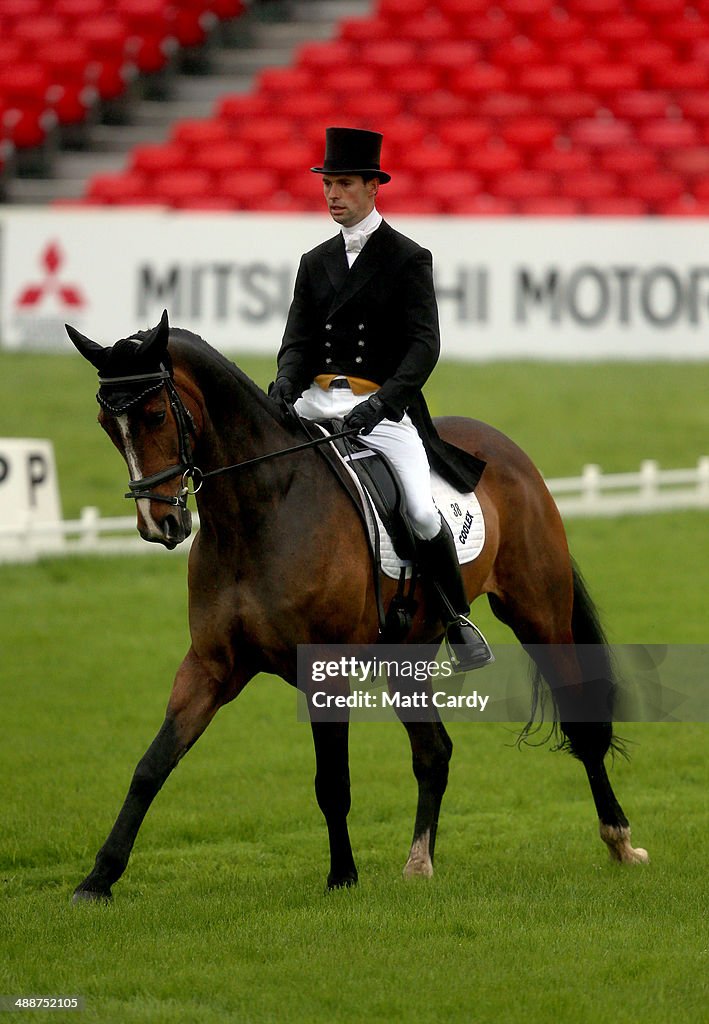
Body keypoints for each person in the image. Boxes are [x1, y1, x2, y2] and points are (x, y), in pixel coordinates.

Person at [269, 127, 492, 671]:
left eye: (344, 184)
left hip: (381, 415)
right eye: (327, 184)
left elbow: (424, 346)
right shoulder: (313, 260)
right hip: (316, 406)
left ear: (373, 187)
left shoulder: (407, 258)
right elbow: (298, 343)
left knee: (419, 508)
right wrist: (282, 386)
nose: (332, 195)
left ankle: (456, 618)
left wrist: (385, 403)